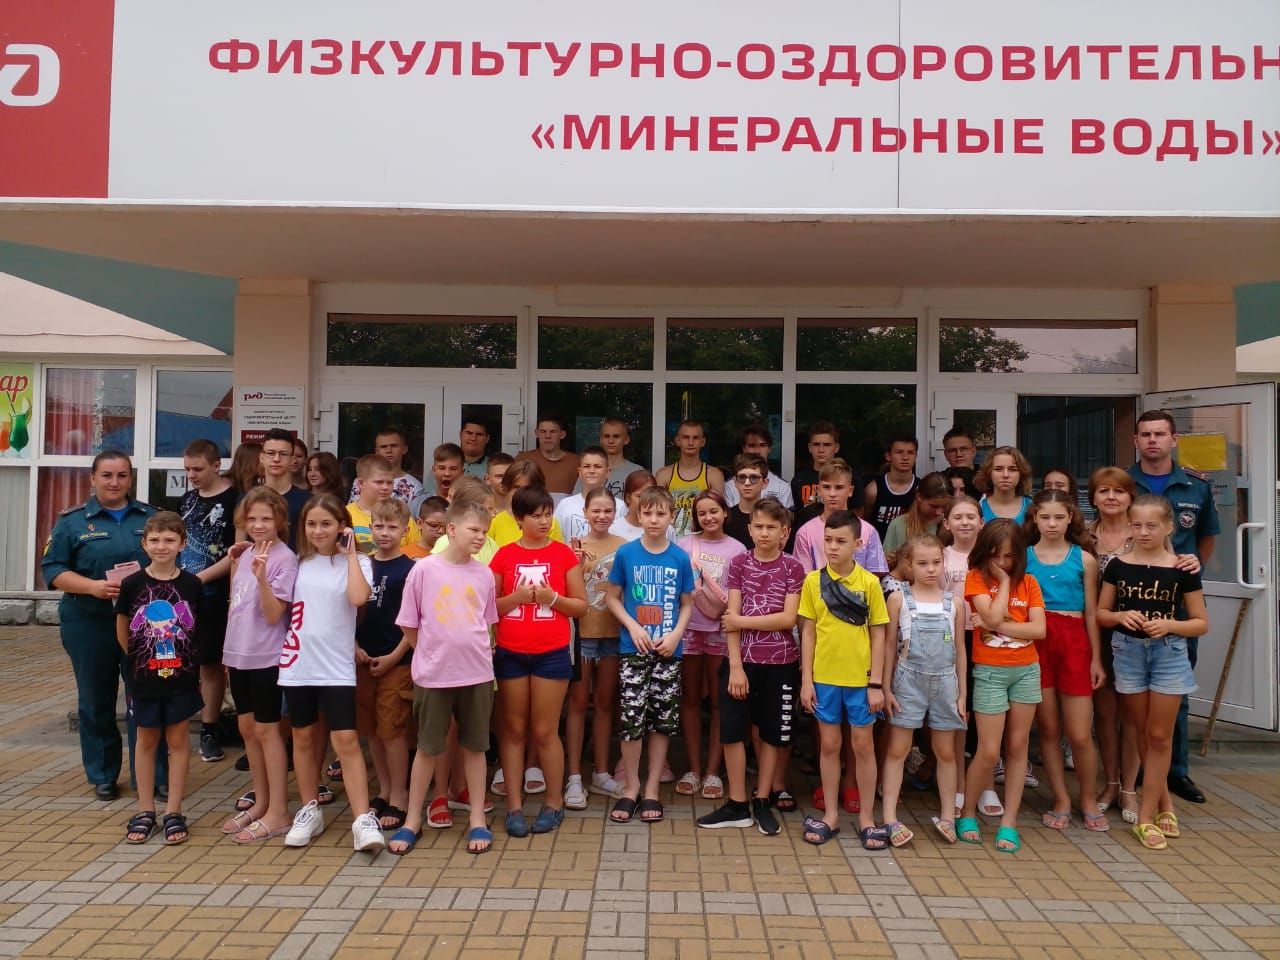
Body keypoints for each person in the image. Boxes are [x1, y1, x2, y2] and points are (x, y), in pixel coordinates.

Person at [42, 450, 165, 802]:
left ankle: (153, 775)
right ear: (93, 478)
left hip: (144, 624)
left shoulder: (151, 518)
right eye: (107, 475)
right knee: (96, 699)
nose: (114, 482)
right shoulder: (72, 522)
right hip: (89, 621)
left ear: (131, 479)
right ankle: (103, 774)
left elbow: (169, 560)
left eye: (122, 475)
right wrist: (92, 587)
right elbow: (53, 569)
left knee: (147, 697)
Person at [1097, 495, 1210, 851]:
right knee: (1141, 732)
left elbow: (1201, 622)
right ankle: (1165, 804)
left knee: (1160, 735)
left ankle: (1145, 818)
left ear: (1168, 527)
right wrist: (1119, 616)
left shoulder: (1183, 568)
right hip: (1128, 653)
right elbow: (1101, 613)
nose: (1144, 532)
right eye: (1137, 525)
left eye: (1152, 525)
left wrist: (1170, 625)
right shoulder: (1118, 565)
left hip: (1169, 653)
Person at [389, 498, 500, 856]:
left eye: (485, 531)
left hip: (477, 673)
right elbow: (409, 622)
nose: (480, 536)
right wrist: (428, 652)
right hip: (434, 675)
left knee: (476, 747)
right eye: (474, 529)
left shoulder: (484, 574)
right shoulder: (424, 570)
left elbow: (488, 622)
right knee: (428, 747)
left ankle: (477, 818)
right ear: (451, 530)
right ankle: (412, 820)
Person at [277, 494, 384, 852]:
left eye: (326, 523)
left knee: (346, 741)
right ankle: (309, 810)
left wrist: (350, 554)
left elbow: (358, 598)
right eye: (311, 524)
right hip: (298, 663)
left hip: (336, 667)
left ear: (342, 526)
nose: (318, 531)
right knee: (303, 738)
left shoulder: (360, 562)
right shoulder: (297, 562)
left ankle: (362, 818)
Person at [1126, 409, 1218, 806]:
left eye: (1160, 434)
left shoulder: (1196, 486)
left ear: (1173, 439)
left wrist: (1191, 572)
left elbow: (1206, 538)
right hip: (1131, 598)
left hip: (1177, 605)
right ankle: (1136, 772)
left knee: (1174, 691)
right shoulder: (1123, 483)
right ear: (1136, 441)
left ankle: (1176, 772)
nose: (1152, 440)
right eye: (1145, 434)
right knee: (1131, 692)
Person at [697, 497, 802, 834]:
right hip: (742, 661)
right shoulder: (739, 563)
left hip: (781, 662)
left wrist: (742, 621)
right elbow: (731, 618)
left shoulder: (793, 567)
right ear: (749, 529)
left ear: (785, 532)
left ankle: (762, 798)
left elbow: (787, 619)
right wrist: (735, 666)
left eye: (772, 527)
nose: (765, 533)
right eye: (759, 526)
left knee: (771, 734)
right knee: (731, 731)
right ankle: (737, 803)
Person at [490, 485, 587, 836]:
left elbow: (581, 606)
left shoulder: (563, 554)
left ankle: (553, 802)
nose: (544, 521)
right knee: (514, 730)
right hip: (511, 652)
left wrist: (553, 598)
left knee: (545, 731)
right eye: (536, 515)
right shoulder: (503, 555)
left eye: (547, 514)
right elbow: (489, 608)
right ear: (519, 519)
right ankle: (514, 806)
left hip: (551, 653)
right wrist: (517, 597)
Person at [797, 510, 890, 848]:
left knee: (863, 746)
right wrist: (806, 680)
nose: (833, 547)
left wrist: (876, 683)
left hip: (861, 681)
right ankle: (831, 815)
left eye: (841, 541)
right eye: (828, 540)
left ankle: (866, 817)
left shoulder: (869, 584)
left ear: (858, 544)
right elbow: (808, 632)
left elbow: (879, 634)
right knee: (830, 745)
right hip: (824, 679)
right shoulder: (812, 581)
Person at [605, 486, 695, 825]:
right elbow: (612, 597)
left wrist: (675, 636)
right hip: (634, 649)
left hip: (668, 650)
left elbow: (687, 603)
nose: (654, 519)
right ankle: (631, 786)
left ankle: (653, 787)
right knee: (631, 720)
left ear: (672, 517)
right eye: (647, 513)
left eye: (661, 513)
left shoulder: (679, 557)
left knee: (662, 721)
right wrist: (632, 627)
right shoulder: (626, 553)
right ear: (638, 516)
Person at [115, 512, 206, 845]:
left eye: (169, 540)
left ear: (182, 544)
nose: (161, 546)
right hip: (144, 678)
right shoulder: (132, 584)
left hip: (181, 677)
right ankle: (145, 809)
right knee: (145, 741)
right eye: (154, 540)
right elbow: (123, 628)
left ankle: (173, 810)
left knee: (179, 742)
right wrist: (137, 662)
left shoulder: (192, 585)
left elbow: (196, 629)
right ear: (144, 544)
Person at [957, 519, 1046, 853]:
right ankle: (967, 812)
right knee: (989, 750)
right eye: (995, 555)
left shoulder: (1031, 583)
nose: (1002, 563)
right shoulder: (976, 578)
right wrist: (1005, 585)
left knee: (1018, 747)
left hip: (1026, 670)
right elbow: (992, 619)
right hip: (990, 671)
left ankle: (1009, 821)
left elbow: (1039, 631)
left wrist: (998, 624)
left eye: (1009, 557)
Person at [1024, 489, 1108, 833]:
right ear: (1034, 518)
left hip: (1074, 643)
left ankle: (1087, 798)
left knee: (1079, 733)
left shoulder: (1084, 559)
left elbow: (1091, 613)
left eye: (1059, 517)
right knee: (1048, 729)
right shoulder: (1024, 557)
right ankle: (1060, 797)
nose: (1052, 524)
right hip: (1037, 642)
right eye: (1045, 517)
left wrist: (1096, 659)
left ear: (1071, 517)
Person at [219, 488, 296, 843]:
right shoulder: (245, 551)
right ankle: (261, 801)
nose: (259, 525)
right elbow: (236, 607)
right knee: (247, 729)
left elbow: (274, 613)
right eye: (251, 519)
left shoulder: (284, 558)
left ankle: (279, 809)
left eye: (266, 518)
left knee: (268, 731)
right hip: (239, 654)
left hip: (267, 656)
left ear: (280, 519)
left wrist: (263, 577)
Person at [880, 534, 967, 847]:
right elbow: (889, 646)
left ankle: (948, 816)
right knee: (897, 750)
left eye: (936, 562)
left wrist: (962, 694)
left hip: (946, 683)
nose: (930, 569)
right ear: (909, 565)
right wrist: (886, 687)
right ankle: (890, 817)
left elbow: (960, 650)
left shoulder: (955, 603)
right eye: (922, 563)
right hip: (907, 681)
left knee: (946, 752)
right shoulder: (898, 599)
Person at [678, 491, 748, 804]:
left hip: (721, 631)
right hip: (689, 629)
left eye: (714, 511)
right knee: (690, 699)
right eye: (702, 513)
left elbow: (739, 593)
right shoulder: (684, 544)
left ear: (725, 513)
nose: (708, 518)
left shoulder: (737, 548)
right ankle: (693, 769)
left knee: (721, 702)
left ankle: (713, 771)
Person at [355, 497, 417, 831]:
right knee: (373, 731)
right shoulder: (363, 565)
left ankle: (400, 795)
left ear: (405, 530)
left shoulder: (410, 570)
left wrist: (394, 657)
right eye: (378, 526)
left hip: (398, 660)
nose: (384, 532)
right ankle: (383, 788)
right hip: (364, 658)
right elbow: (349, 610)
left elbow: (416, 620)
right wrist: (354, 646)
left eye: (392, 527)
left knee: (393, 731)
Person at [565, 488, 627, 807]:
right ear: (586, 513)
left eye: (607, 511)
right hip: (582, 635)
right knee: (577, 703)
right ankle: (574, 777)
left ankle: (601, 773)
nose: (602, 516)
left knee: (605, 703)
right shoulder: (573, 547)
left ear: (615, 513)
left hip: (613, 635)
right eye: (596, 510)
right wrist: (575, 563)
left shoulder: (625, 546)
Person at [177, 439, 238, 764]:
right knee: (184, 661)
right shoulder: (187, 500)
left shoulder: (234, 500)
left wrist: (199, 579)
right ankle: (176, 725)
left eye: (197, 469)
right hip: (184, 594)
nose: (191, 475)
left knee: (211, 663)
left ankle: (210, 728)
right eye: (187, 469)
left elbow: (236, 553)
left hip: (216, 594)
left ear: (216, 465)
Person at [1088, 467, 1142, 825]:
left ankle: (1130, 788)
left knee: (1132, 715)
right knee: (1105, 715)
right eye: (1103, 491)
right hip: (1096, 632)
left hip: (1136, 632)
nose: (1111, 497)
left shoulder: (1143, 532)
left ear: (1130, 497)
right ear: (1093, 497)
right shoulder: (1083, 536)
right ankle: (1109, 784)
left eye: (1118, 491)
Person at [941, 496, 986, 817]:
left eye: (971, 516)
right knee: (959, 713)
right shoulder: (941, 557)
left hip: (986, 637)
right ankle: (957, 783)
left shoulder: (990, 556)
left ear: (982, 522)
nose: (965, 522)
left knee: (985, 712)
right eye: (958, 517)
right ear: (947, 523)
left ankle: (985, 784)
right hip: (952, 640)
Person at [792, 459, 888, 577]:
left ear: (850, 491)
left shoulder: (868, 531)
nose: (832, 493)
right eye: (826, 487)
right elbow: (803, 577)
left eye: (839, 487)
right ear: (819, 490)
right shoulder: (805, 532)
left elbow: (875, 574)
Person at [656, 420, 725, 539]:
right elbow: (656, 511)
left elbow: (719, 514)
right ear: (678, 440)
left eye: (695, 438)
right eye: (686, 437)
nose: (691, 442)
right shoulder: (664, 475)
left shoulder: (714, 475)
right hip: (669, 541)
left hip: (702, 542)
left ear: (702, 442)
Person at [347, 454, 423, 556]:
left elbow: (417, 553)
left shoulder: (402, 515)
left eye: (390, 482)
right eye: (379, 482)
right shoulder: (346, 515)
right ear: (361, 483)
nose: (385, 487)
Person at [555, 446, 626, 543]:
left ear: (607, 472)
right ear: (579, 472)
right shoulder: (565, 505)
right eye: (586, 466)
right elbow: (555, 540)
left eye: (597, 466)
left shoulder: (620, 507)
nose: (592, 471)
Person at [347, 427, 426, 514]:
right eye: (383, 447)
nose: (389, 450)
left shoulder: (415, 486)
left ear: (404, 449)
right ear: (377, 451)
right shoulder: (362, 481)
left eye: (394, 446)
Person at [256, 430, 312, 550]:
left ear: (292, 459)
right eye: (271, 453)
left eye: (283, 454)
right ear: (261, 457)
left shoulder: (307, 501)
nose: (276, 459)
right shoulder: (246, 499)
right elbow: (240, 549)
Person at [490, 460, 566, 547]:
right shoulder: (494, 523)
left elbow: (557, 552)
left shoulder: (550, 523)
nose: (522, 493)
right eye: (516, 487)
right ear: (507, 488)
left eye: (528, 488)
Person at [863, 434, 920, 540]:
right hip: (880, 548)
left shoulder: (921, 489)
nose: (905, 457)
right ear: (888, 456)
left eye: (910, 453)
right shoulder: (873, 489)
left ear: (916, 456)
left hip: (912, 548)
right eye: (899, 452)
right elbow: (865, 524)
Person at [882, 472, 952, 558]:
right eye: (934, 506)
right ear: (919, 497)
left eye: (944, 506)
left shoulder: (951, 525)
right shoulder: (898, 525)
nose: (939, 512)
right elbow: (886, 562)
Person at [724, 423, 794, 509]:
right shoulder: (730, 486)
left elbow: (786, 517)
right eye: (752, 445)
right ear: (744, 448)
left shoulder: (782, 487)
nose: (757, 451)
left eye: (762, 445)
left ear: (770, 448)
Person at [514, 413, 581, 499]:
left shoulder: (577, 462)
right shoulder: (522, 459)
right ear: (536, 433)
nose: (547, 436)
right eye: (543, 431)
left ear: (562, 434)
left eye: (553, 432)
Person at [975, 446, 1034, 525]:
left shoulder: (1033, 508)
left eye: (1012, 469)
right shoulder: (978, 508)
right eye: (998, 469)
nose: (1005, 475)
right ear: (989, 473)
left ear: (1021, 474)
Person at [791, 421, 841, 511]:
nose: (821, 450)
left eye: (827, 445)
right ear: (810, 447)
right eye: (816, 444)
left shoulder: (848, 477)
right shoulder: (799, 479)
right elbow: (796, 514)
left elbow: (856, 514)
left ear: (836, 447)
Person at [725, 453, 767, 548]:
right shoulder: (725, 519)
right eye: (742, 477)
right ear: (735, 482)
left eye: (754, 478)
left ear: (765, 483)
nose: (747, 483)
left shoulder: (774, 517)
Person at [595, 417, 646, 495]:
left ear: (626, 440)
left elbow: (645, 501)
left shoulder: (637, 472)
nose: (611, 441)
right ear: (601, 439)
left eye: (616, 436)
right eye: (606, 436)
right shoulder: (589, 470)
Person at [610, 470, 660, 542]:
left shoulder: (664, 528)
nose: (646, 500)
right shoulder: (613, 529)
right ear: (628, 498)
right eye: (639, 496)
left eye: (650, 495)